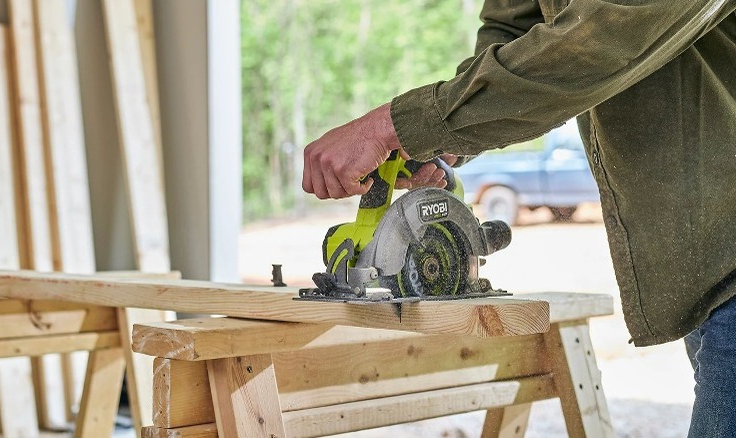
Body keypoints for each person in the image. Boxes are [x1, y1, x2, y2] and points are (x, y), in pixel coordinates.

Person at [302, 0, 736, 436]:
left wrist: (395, 126)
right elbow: (513, 29)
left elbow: (603, 40)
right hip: (712, 261)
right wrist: (442, 138)